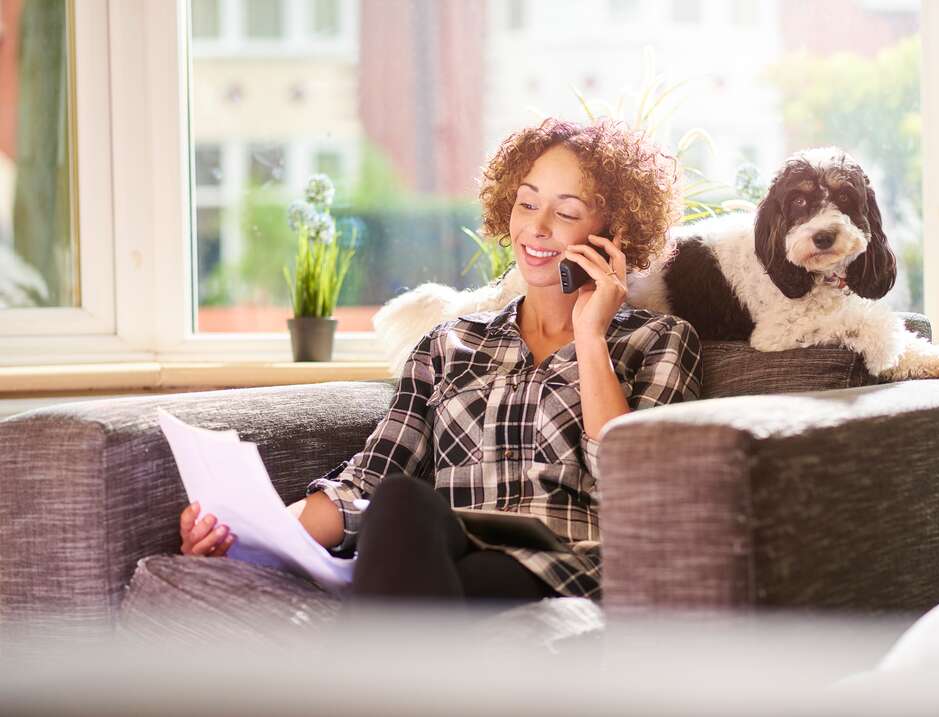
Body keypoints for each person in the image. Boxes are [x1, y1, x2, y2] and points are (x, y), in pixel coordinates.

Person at [178, 117, 703, 605]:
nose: (537, 227)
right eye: (526, 204)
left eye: (566, 212)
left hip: (563, 570)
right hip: (440, 558)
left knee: (422, 587)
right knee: (403, 502)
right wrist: (243, 533)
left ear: (616, 234)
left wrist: (591, 340)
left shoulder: (660, 340)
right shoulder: (448, 344)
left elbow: (634, 488)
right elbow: (367, 482)